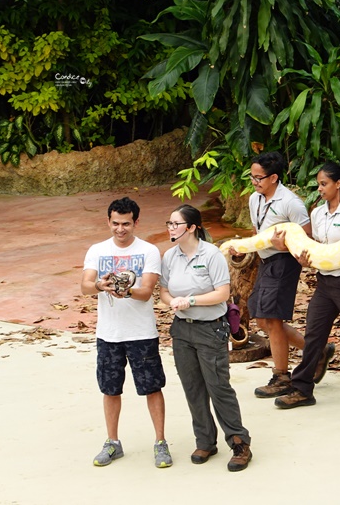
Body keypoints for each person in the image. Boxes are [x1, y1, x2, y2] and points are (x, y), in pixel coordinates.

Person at [274, 162, 340, 409]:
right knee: (314, 335)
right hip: (324, 283)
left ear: (338, 184)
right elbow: (317, 245)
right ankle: (302, 389)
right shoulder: (317, 213)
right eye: (318, 184)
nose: (320, 189)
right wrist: (300, 255)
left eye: (324, 184)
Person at [159, 204, 252, 471]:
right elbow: (164, 291)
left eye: (175, 224)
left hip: (210, 329)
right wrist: (172, 302)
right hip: (182, 330)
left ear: (191, 227)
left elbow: (222, 293)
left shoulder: (211, 254)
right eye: (169, 223)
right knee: (192, 387)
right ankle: (205, 440)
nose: (170, 228)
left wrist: (191, 300)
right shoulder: (170, 256)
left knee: (218, 386)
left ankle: (239, 442)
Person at [228, 151, 329, 398]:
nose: (254, 181)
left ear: (274, 177)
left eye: (259, 177)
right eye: (251, 177)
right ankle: (318, 351)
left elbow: (307, 238)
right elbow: (257, 231)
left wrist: (284, 246)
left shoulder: (290, 203)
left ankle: (282, 376)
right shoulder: (255, 199)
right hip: (265, 261)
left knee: (272, 320)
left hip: (284, 262)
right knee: (262, 319)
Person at [81, 197, 172, 468]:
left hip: (141, 333)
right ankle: (112, 442)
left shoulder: (149, 251)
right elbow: (85, 286)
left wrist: (124, 289)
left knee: (152, 387)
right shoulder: (97, 250)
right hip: (108, 334)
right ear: (108, 222)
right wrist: (100, 285)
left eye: (126, 224)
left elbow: (145, 293)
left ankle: (160, 442)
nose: (120, 229)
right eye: (116, 223)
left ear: (136, 223)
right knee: (110, 389)